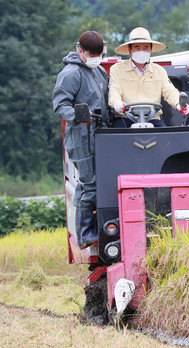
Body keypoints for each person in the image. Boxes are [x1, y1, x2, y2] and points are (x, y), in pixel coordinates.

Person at [53, 31, 108, 249]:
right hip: (81, 137)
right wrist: (80, 116)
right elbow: (60, 105)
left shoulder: (100, 71)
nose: (96, 57)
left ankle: (98, 228)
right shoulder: (71, 73)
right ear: (80, 51)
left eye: (99, 53)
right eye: (91, 53)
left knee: (101, 182)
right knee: (89, 182)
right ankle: (85, 233)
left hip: (100, 137)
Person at [108, 27, 189, 127]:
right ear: (130, 50)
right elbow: (114, 91)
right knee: (116, 138)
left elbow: (170, 92)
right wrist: (117, 104)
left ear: (151, 49)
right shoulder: (117, 69)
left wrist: (179, 104)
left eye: (146, 47)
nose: (141, 51)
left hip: (153, 118)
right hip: (125, 118)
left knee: (167, 139)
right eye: (137, 47)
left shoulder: (159, 71)